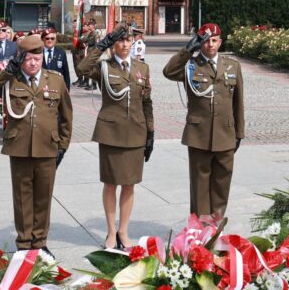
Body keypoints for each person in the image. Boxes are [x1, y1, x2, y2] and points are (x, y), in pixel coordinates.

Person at [0, 34, 72, 255]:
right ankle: (23, 242)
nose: (33, 64)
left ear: (42, 59)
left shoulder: (55, 80)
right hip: (19, 147)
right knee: (22, 197)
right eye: (28, 59)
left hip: (48, 147)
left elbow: (66, 116)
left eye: (37, 60)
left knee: (43, 197)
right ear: (21, 58)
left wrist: (63, 146)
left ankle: (40, 242)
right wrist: (7, 71)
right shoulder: (12, 78)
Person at [77, 23, 154, 249]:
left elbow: (147, 102)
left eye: (128, 40)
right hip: (111, 133)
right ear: (114, 43)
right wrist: (103, 43)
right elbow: (82, 68)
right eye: (120, 40)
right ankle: (111, 231)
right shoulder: (104, 67)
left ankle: (123, 231)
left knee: (129, 184)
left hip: (136, 133)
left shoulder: (142, 68)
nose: (124, 44)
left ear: (134, 42)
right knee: (110, 183)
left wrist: (151, 132)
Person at [162, 23, 245, 218]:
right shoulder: (190, 65)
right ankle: (200, 225)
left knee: (222, 181)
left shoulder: (233, 66)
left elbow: (238, 102)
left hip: (225, 133)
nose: (210, 45)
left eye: (214, 40)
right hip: (199, 134)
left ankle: (216, 222)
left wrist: (239, 132)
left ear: (220, 42)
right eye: (206, 41)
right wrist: (187, 49)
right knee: (200, 182)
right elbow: (168, 72)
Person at [79, 18, 100, 90]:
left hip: (93, 53)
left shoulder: (95, 34)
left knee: (93, 68)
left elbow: (97, 44)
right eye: (88, 25)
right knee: (89, 68)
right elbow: (83, 40)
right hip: (89, 52)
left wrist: (95, 54)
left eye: (90, 25)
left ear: (93, 25)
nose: (88, 26)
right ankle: (89, 83)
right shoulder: (90, 33)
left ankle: (94, 85)